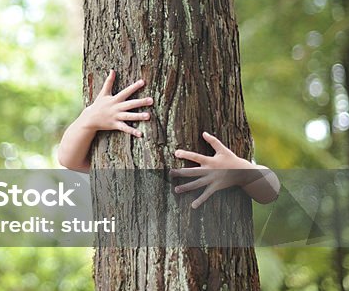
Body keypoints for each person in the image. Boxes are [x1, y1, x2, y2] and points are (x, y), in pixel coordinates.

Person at [57, 69, 280, 205]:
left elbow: (270, 191)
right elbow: (69, 159)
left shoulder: (226, 159)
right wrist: (88, 120)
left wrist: (240, 171)